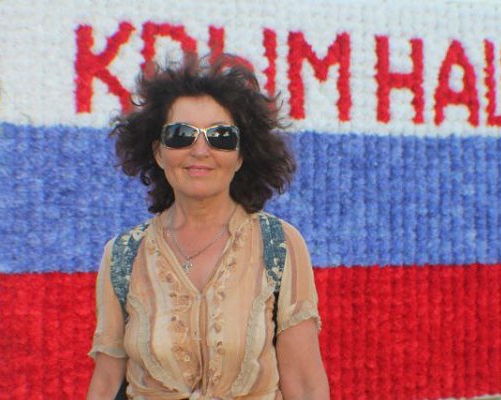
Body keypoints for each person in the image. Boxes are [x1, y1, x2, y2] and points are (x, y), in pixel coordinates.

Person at [86, 55, 329, 400]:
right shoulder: (123, 254)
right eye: (181, 135)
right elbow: (106, 383)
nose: (200, 150)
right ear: (158, 152)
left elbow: (305, 385)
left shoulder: (279, 244)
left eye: (221, 137)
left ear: (241, 155)